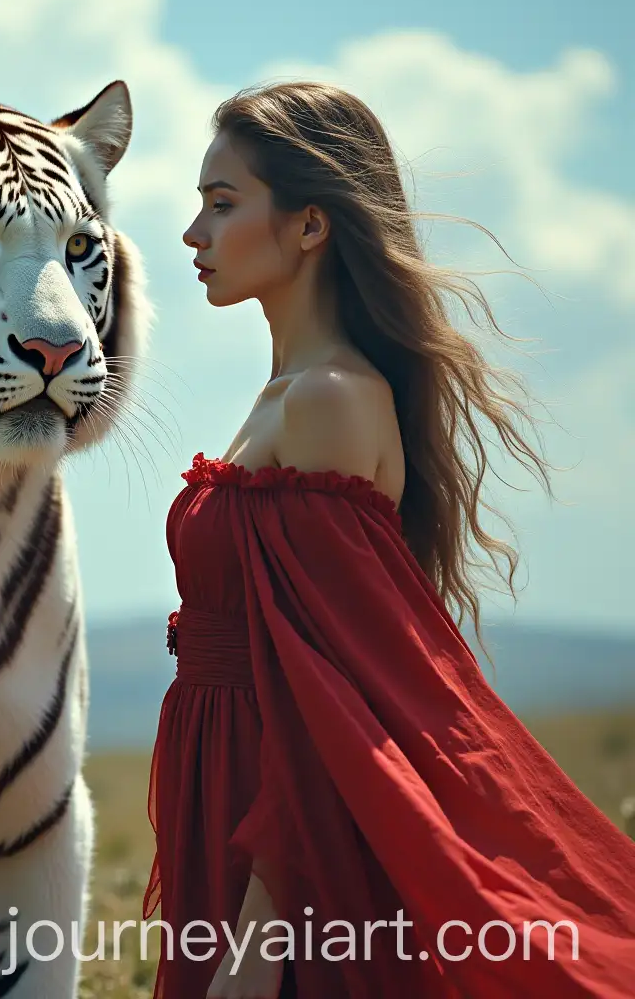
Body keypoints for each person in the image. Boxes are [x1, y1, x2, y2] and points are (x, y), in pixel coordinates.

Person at [141, 80, 635, 999]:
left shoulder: (329, 399)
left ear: (310, 226)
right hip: (226, 791)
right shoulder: (288, 397)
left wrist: (257, 949)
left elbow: (334, 720)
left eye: (221, 204)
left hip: (283, 858)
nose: (192, 234)